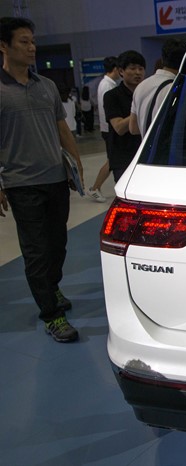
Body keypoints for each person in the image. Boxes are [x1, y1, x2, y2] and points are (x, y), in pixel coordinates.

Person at [0, 17, 83, 342]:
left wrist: (75, 163)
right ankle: (52, 315)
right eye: (24, 41)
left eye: (33, 41)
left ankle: (51, 286)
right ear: (4, 46)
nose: (32, 47)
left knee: (57, 244)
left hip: (55, 179)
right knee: (36, 251)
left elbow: (62, 129)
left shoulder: (46, 86)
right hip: (21, 184)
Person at [129, 38, 186, 136]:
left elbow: (133, 128)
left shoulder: (141, 86)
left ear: (162, 59)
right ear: (185, 60)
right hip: (169, 145)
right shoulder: (180, 88)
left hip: (146, 145)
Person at [103, 50, 144, 182]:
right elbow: (119, 128)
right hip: (123, 157)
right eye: (132, 68)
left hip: (144, 155)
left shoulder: (146, 93)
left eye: (141, 68)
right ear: (121, 71)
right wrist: (140, 109)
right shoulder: (111, 96)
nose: (138, 72)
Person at [85, 56, 120, 203]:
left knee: (112, 160)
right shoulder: (107, 85)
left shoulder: (106, 83)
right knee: (112, 161)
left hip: (108, 128)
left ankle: (95, 188)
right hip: (110, 129)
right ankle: (94, 188)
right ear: (116, 69)